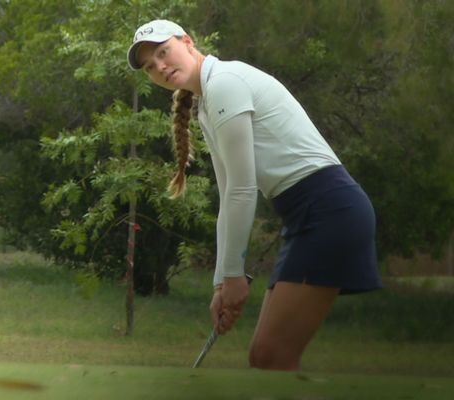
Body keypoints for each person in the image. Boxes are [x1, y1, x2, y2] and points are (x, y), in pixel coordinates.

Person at [127, 19, 382, 370]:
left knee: (270, 356)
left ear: (187, 42)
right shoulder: (207, 101)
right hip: (312, 214)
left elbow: (244, 189)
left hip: (328, 210)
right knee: (268, 357)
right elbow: (229, 194)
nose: (160, 66)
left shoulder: (225, 83)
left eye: (163, 52)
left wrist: (234, 276)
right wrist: (221, 283)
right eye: (150, 67)